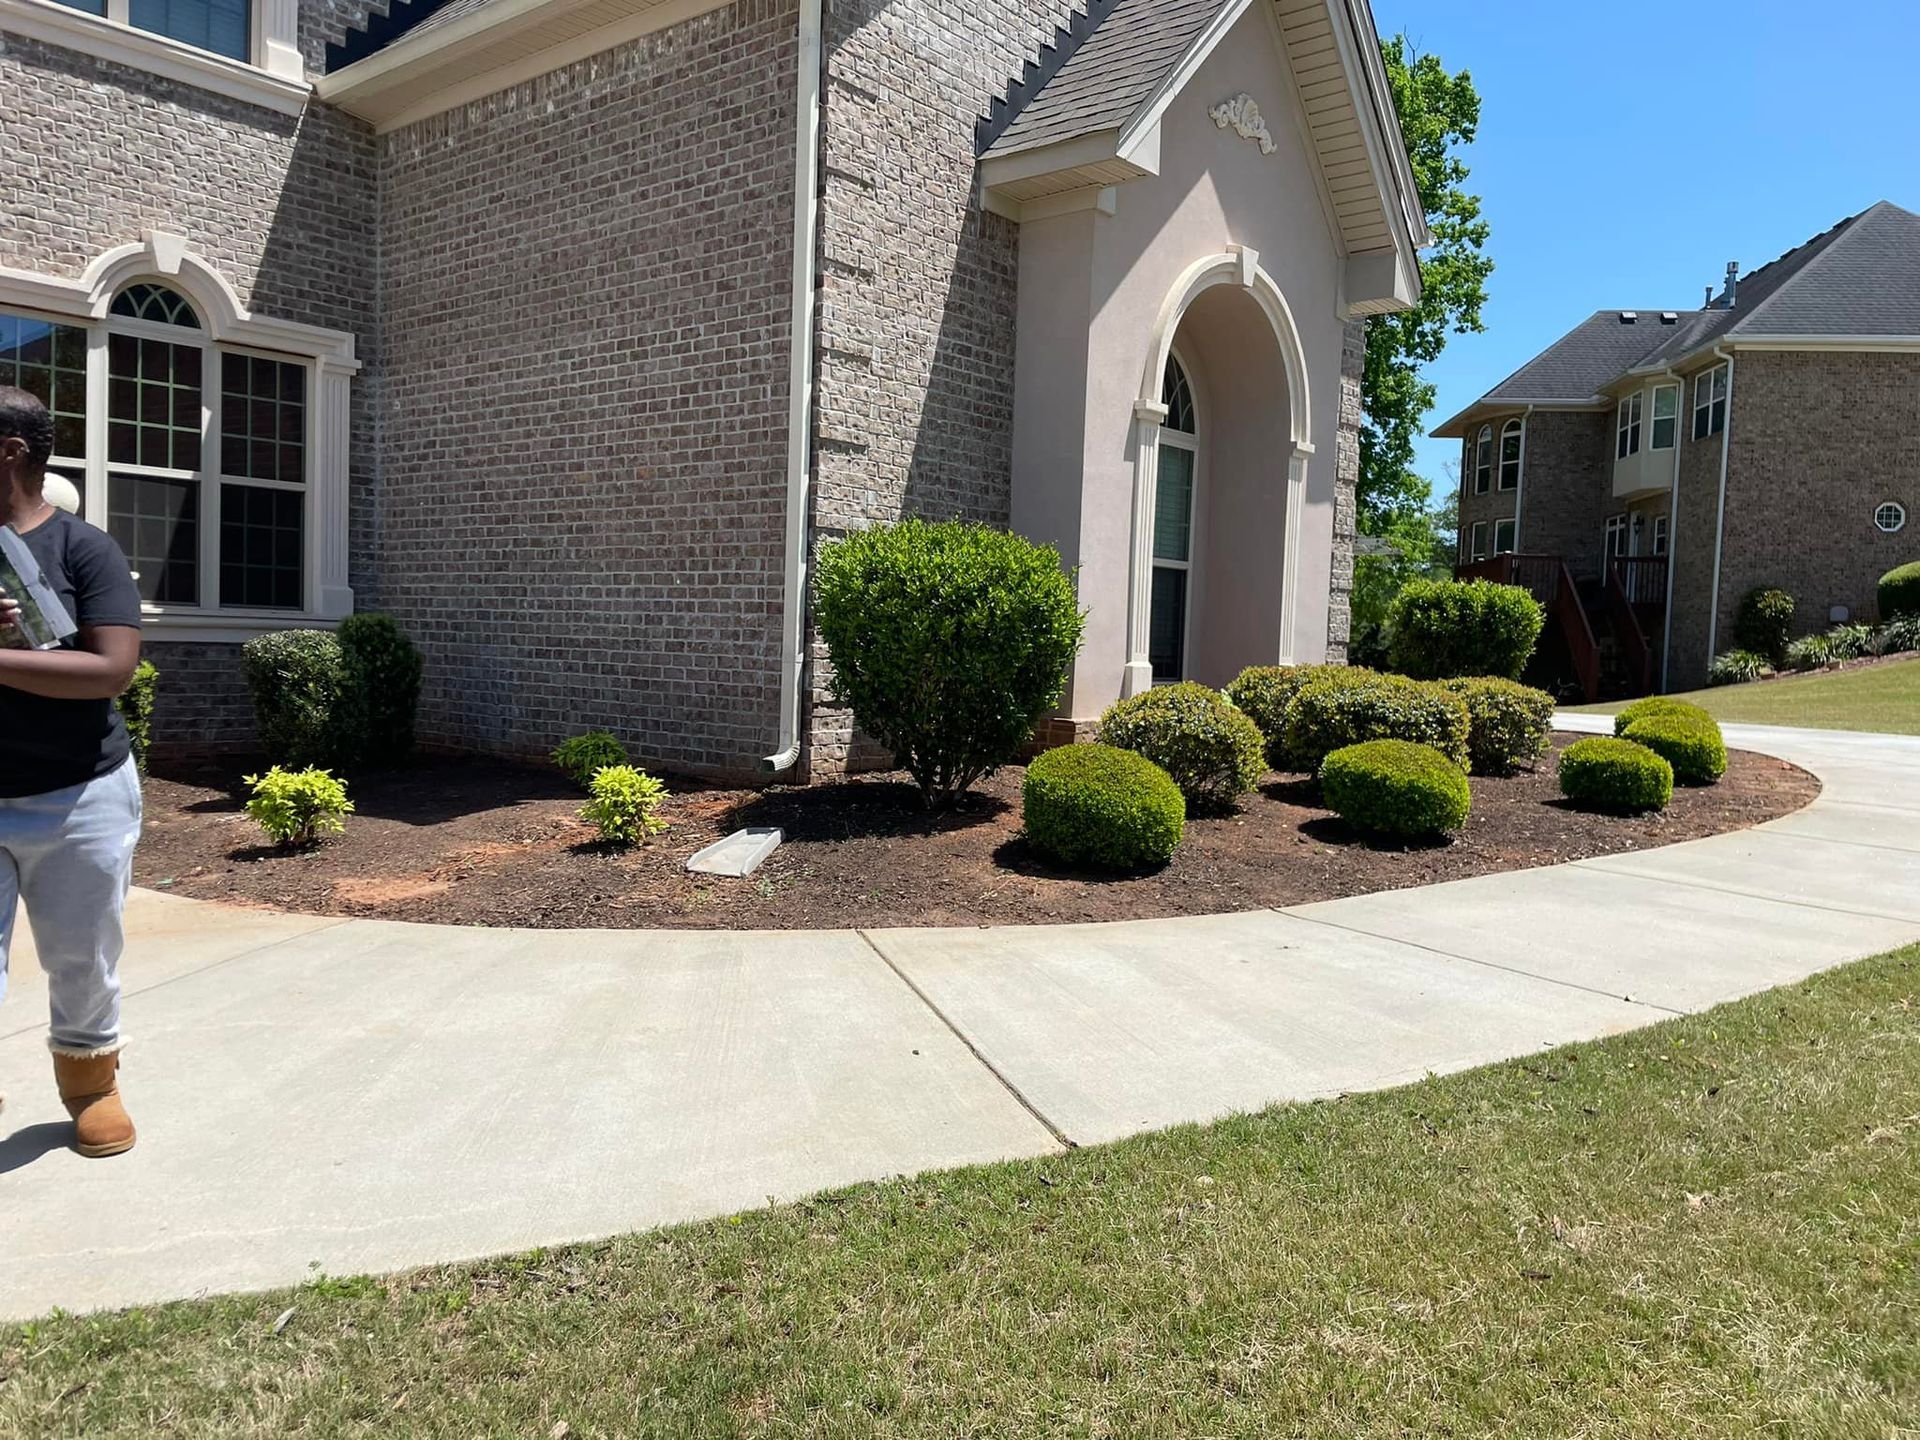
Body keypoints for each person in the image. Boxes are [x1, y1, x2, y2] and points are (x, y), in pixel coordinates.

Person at [0, 386, 144, 1157]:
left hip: (77, 793)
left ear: (10, 452)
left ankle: (91, 1084)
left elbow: (111, 667)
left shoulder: (84, 548)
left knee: (81, 955)